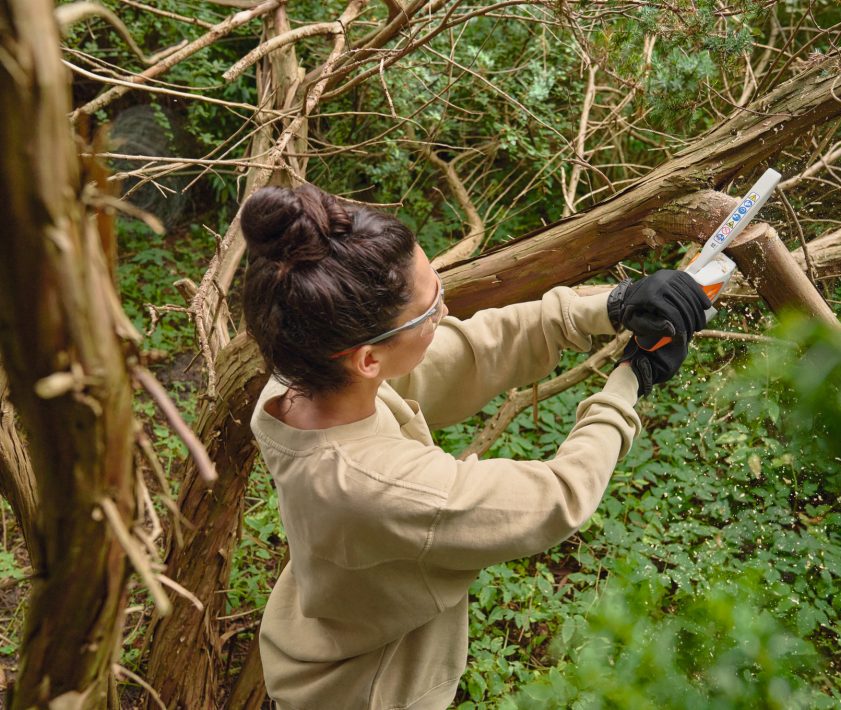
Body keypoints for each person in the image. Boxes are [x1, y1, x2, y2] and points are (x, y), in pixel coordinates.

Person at [242, 184, 711, 709]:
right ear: (368, 359)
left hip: (314, 657)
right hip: (368, 693)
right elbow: (556, 497)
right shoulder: (382, 488)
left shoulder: (298, 379)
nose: (445, 312)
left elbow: (463, 354)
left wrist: (611, 306)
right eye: (429, 310)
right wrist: (632, 379)